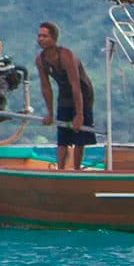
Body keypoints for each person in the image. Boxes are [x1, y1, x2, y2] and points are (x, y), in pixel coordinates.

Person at [35, 21, 96, 170]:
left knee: (78, 134)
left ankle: (76, 169)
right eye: (39, 36)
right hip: (64, 94)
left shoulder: (66, 56)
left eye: (45, 36)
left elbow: (76, 86)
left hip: (82, 94)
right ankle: (60, 169)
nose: (40, 39)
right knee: (62, 137)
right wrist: (50, 114)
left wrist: (80, 114)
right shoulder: (40, 59)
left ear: (54, 39)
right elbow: (46, 87)